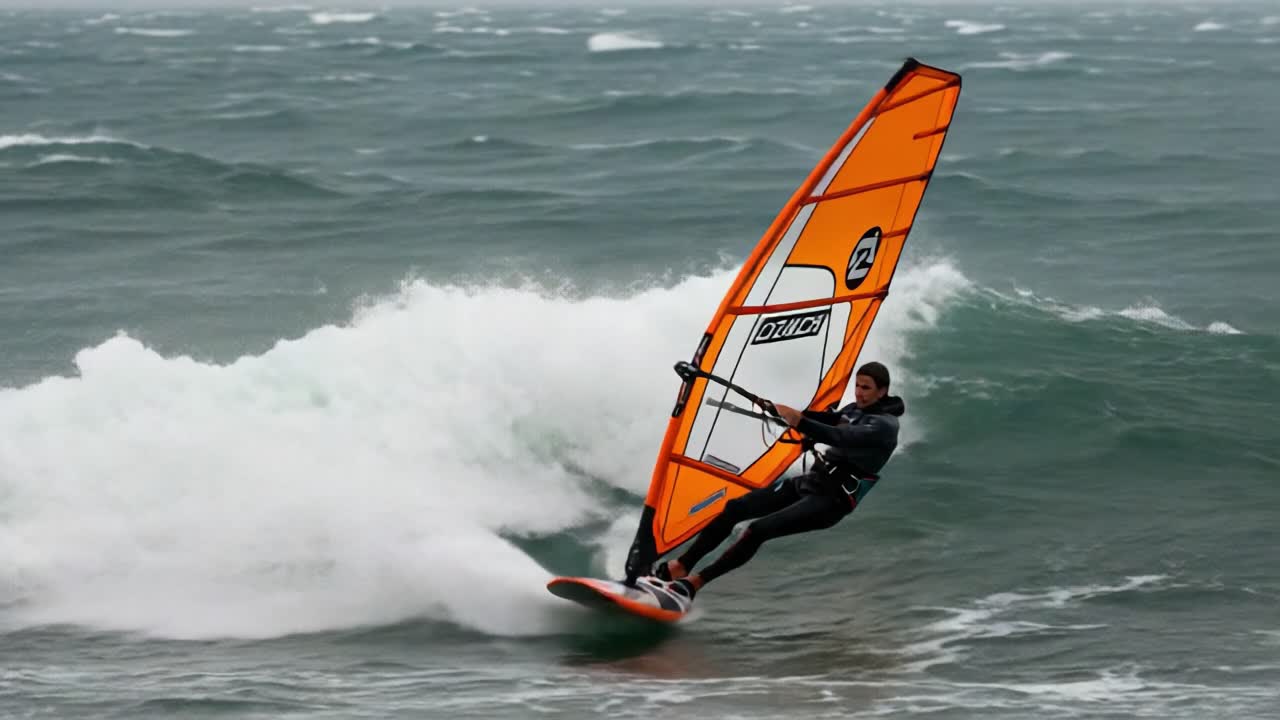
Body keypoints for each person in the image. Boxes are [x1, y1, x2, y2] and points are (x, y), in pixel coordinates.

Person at [650, 361, 905, 601]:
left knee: (757, 530)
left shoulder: (884, 426)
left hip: (832, 500)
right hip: (812, 482)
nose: (859, 393)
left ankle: (696, 583)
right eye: (857, 386)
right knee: (735, 508)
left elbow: (838, 436)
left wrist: (801, 421)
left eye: (866, 388)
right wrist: (781, 411)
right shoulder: (854, 410)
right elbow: (825, 420)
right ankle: (682, 565)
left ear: (882, 391)